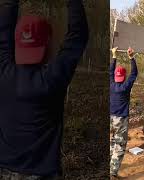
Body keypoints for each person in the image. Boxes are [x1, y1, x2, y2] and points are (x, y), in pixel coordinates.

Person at [0, 0, 88, 179]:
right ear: (47, 45)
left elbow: (2, 36)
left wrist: (10, 3)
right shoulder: (52, 78)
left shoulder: (3, 73)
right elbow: (78, 35)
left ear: (16, 42)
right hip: (42, 174)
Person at [110, 47, 138, 178]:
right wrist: (131, 57)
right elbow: (134, 74)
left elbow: (110, 72)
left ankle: (109, 164)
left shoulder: (111, 84)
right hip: (121, 119)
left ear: (116, 76)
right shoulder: (125, 87)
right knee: (120, 145)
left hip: (110, 118)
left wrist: (114, 56)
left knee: (112, 141)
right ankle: (112, 171)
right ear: (124, 76)